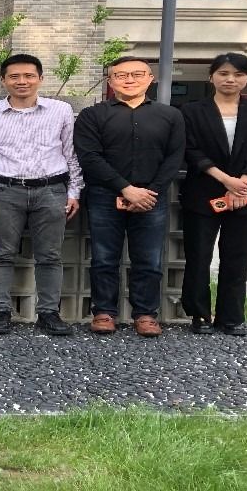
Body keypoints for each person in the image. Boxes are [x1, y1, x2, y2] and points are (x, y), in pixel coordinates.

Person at [74, 56, 185, 337]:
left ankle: (146, 314)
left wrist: (151, 191)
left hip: (151, 196)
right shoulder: (92, 115)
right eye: (121, 75)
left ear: (150, 79)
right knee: (103, 257)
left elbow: (175, 157)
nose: (129, 80)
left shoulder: (170, 115)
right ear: (110, 81)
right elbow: (89, 156)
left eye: (137, 74)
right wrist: (125, 188)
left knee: (149, 258)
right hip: (104, 194)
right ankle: (103, 312)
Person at [0, 54, 83, 335]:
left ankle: (48, 313)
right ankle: (0, 312)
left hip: (51, 190)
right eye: (14, 76)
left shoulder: (61, 110)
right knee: (1, 254)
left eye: (29, 76)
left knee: (50, 255)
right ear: (3, 80)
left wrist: (74, 191)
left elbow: (71, 154)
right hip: (3, 190)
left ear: (40, 79)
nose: (21, 81)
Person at [180, 53, 247, 336]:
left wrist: (242, 183)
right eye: (223, 73)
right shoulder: (192, 111)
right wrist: (225, 180)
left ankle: (231, 316)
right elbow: (191, 150)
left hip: (246, 194)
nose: (230, 79)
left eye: (238, 74)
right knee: (198, 256)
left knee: (237, 256)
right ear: (211, 77)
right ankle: (199, 314)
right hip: (203, 192)